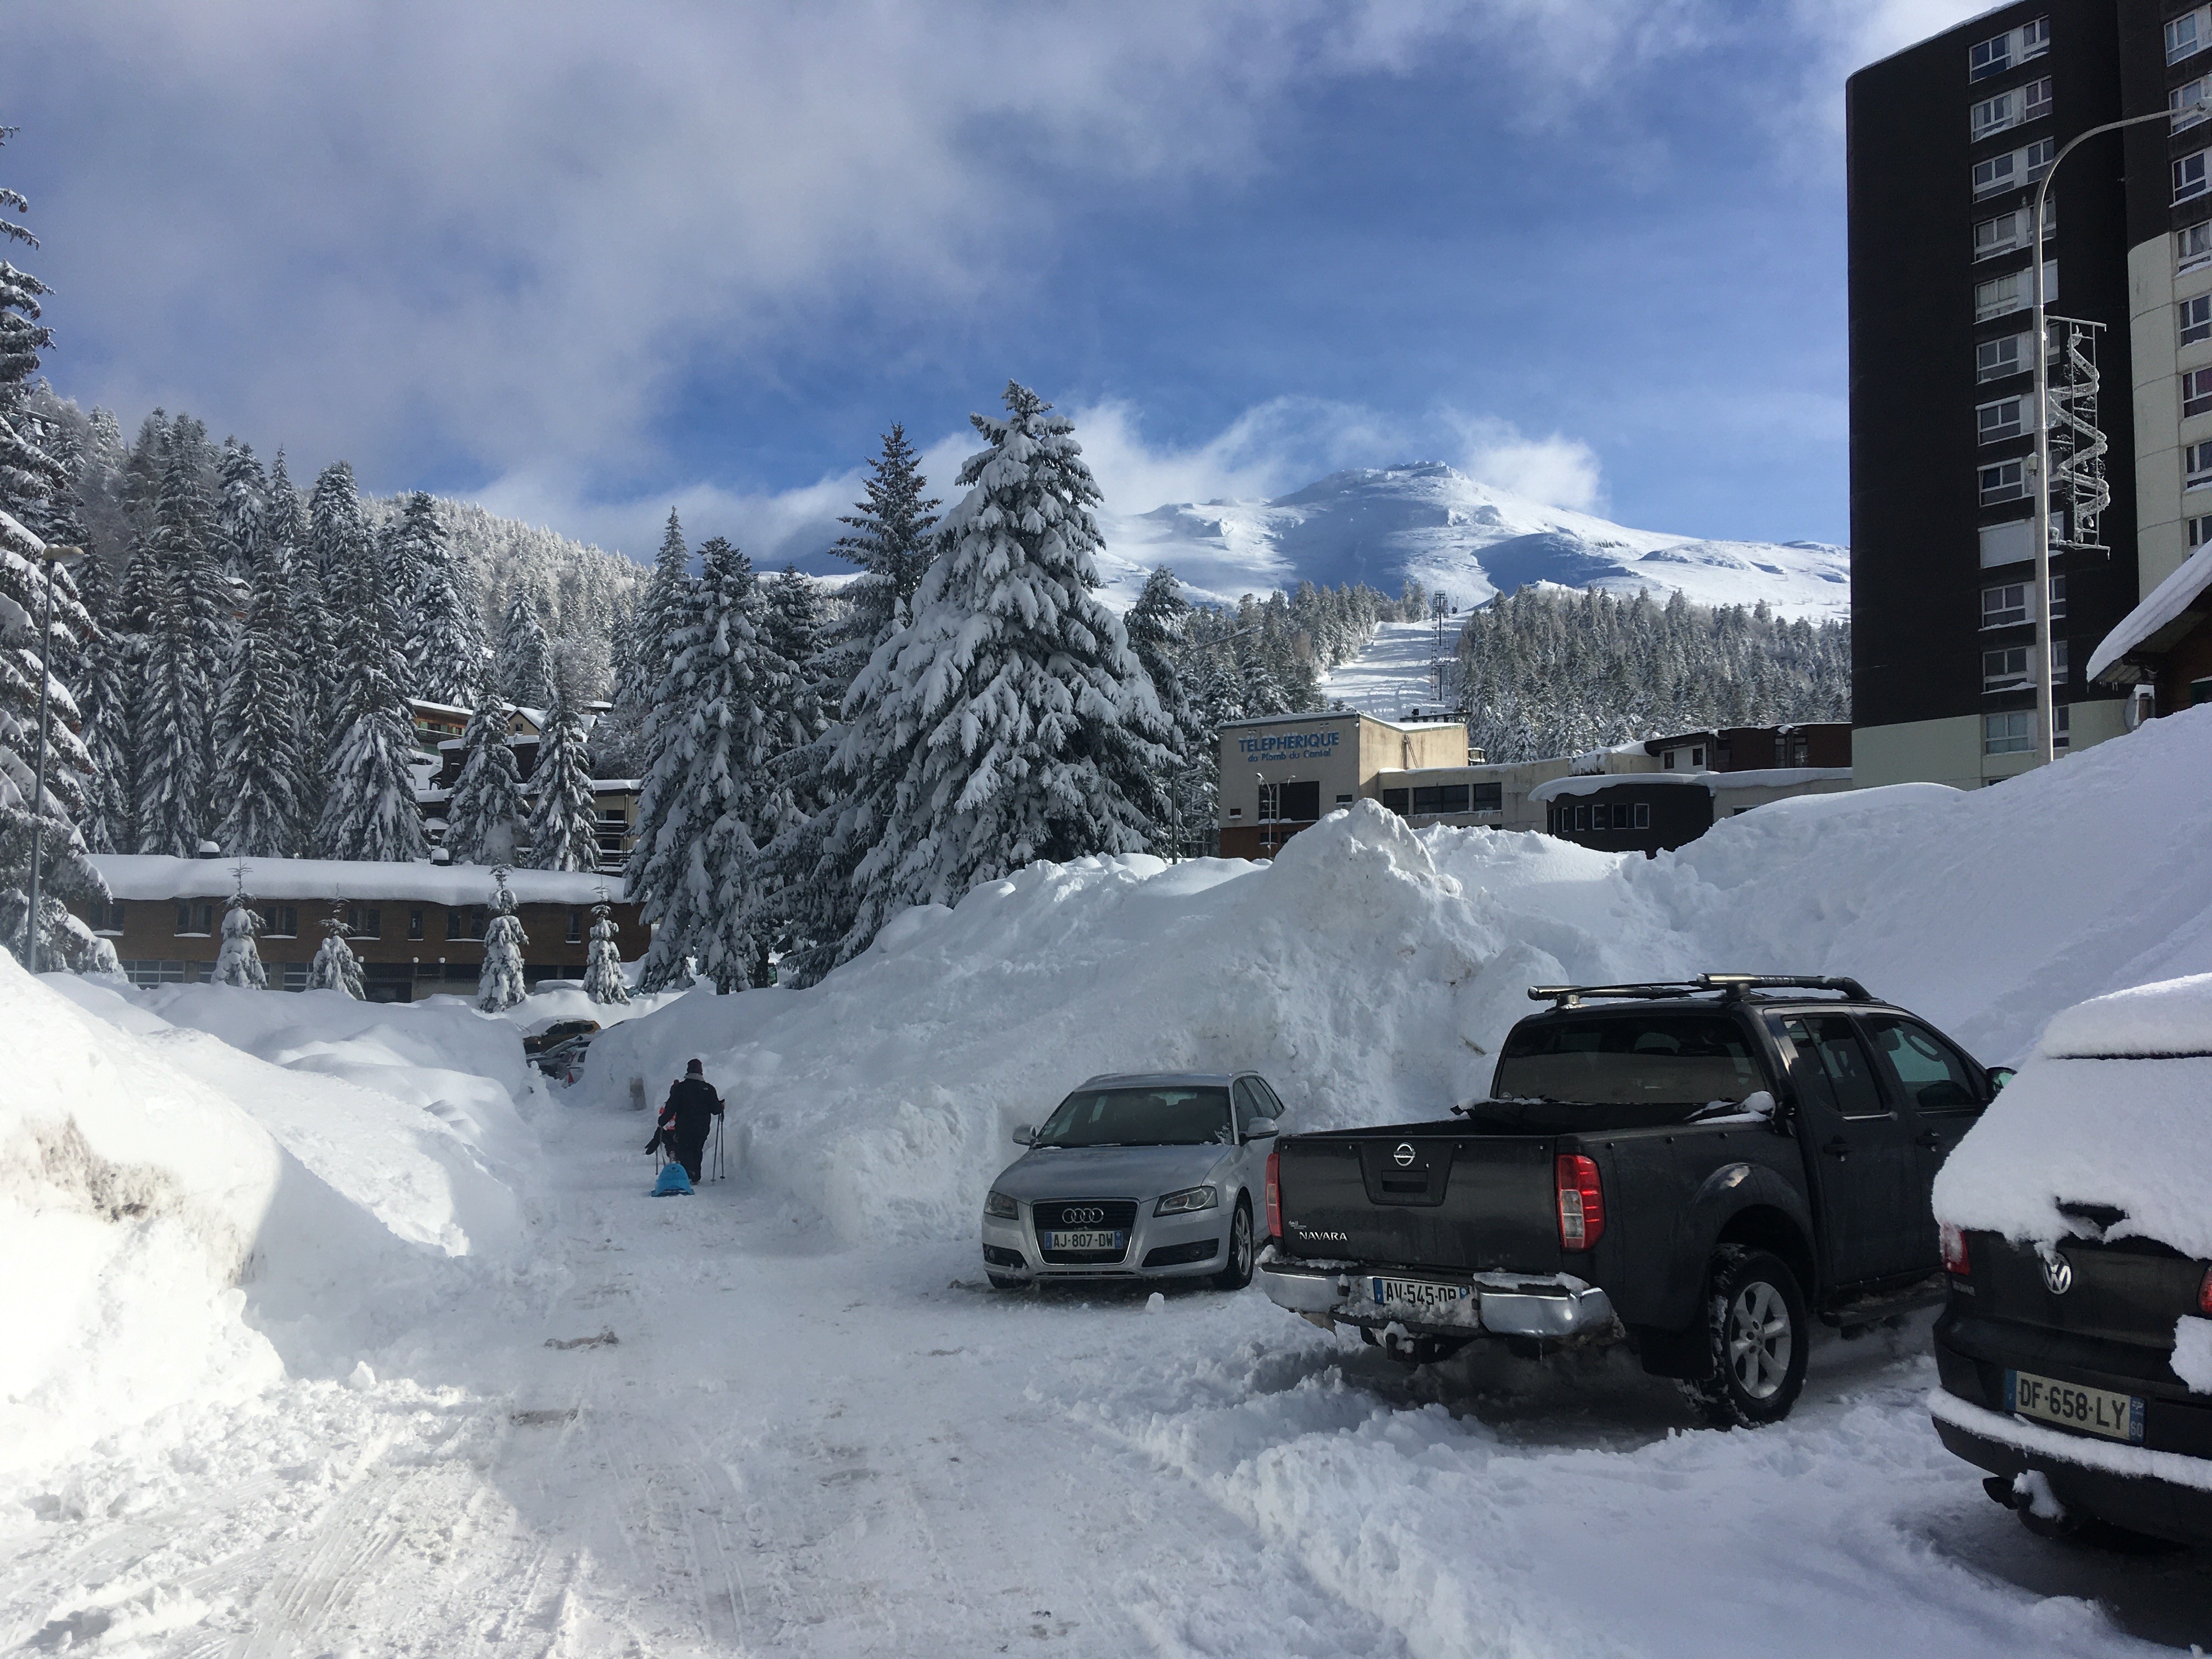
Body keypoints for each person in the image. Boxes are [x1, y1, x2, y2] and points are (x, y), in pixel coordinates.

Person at [650, 1058, 725, 1183]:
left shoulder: (680, 1088)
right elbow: (716, 1110)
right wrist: (721, 1106)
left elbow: (670, 1109)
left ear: (688, 1071)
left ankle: (686, 1174)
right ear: (701, 1072)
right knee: (697, 1149)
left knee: (685, 1150)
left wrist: (661, 1123)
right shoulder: (708, 1089)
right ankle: (695, 1175)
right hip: (702, 1128)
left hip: (683, 1128)